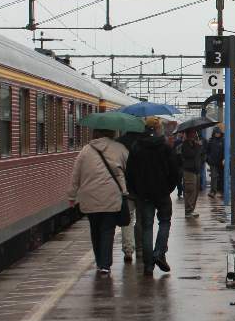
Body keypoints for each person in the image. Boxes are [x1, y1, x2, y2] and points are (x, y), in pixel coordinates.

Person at [67, 128, 128, 275]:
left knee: (95, 230)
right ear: (112, 132)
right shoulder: (120, 148)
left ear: (96, 133)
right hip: (111, 196)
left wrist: (71, 196)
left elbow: (76, 175)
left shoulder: (85, 151)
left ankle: (99, 261)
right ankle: (105, 265)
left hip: (89, 197)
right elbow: (128, 168)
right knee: (108, 230)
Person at [125, 116, 180, 275]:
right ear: (158, 129)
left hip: (144, 194)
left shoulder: (136, 147)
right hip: (162, 193)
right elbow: (174, 171)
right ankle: (159, 253)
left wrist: (136, 191)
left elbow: (129, 173)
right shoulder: (165, 147)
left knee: (147, 226)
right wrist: (168, 188)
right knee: (164, 221)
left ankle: (148, 265)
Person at [117, 128, 144, 263]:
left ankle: (128, 249)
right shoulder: (144, 142)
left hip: (126, 187)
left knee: (127, 219)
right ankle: (140, 249)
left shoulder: (119, 144)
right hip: (142, 188)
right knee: (141, 219)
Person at [179, 129, 205, 217]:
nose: (194, 134)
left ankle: (192, 209)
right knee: (190, 190)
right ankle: (188, 210)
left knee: (196, 191)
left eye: (195, 132)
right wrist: (198, 147)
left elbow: (200, 155)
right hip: (189, 170)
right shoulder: (185, 145)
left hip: (196, 170)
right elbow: (190, 154)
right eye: (193, 133)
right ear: (188, 134)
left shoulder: (194, 144)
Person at [206, 126, 226, 199]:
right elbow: (207, 151)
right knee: (214, 177)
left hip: (221, 163)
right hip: (213, 162)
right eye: (216, 133)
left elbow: (225, 151)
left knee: (221, 177)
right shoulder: (210, 141)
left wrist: (224, 159)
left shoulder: (223, 141)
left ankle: (222, 191)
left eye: (218, 133)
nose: (217, 134)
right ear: (213, 133)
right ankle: (213, 191)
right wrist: (208, 159)